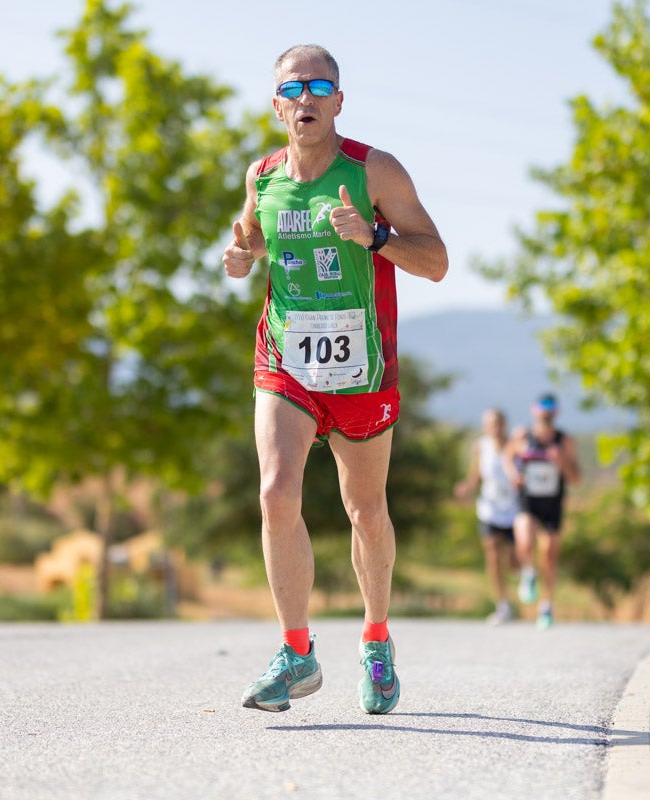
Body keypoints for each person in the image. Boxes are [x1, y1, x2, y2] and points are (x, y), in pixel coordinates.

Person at [222, 44, 447, 714]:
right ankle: (296, 653)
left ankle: (376, 641)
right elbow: (258, 238)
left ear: (339, 102)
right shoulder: (261, 176)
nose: (307, 99)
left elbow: (435, 261)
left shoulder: (374, 171)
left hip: (361, 367)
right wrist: (241, 255)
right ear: (277, 107)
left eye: (321, 87)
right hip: (286, 359)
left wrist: (374, 237)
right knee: (274, 491)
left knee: (365, 510)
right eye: (294, 89)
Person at [505, 393, 581, 629]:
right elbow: (506, 458)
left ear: (556, 413)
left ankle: (546, 606)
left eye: (550, 410)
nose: (545, 414)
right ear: (534, 411)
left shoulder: (563, 440)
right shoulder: (523, 436)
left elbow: (576, 478)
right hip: (527, 500)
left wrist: (561, 462)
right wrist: (514, 476)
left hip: (552, 503)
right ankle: (528, 573)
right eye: (542, 410)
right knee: (525, 541)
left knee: (549, 555)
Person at [454, 408, 520, 624]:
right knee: (492, 555)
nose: (495, 428)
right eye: (490, 424)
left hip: (514, 509)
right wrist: (467, 488)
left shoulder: (516, 445)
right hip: (489, 509)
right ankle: (502, 605)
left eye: (498, 423)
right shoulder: (480, 447)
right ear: (485, 427)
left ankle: (520, 580)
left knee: (514, 559)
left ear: (504, 425)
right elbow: (477, 475)